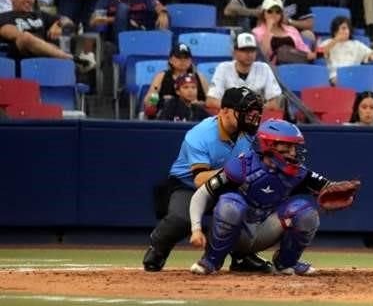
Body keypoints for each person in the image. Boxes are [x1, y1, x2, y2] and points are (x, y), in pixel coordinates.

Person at [186, 119, 360, 276]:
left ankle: (286, 263)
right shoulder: (242, 166)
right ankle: (211, 261)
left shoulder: (299, 173)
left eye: (295, 147)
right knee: (230, 204)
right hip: (237, 231)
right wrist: (196, 229)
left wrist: (338, 193)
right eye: (288, 146)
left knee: (305, 212)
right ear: (269, 145)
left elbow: (329, 187)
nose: (293, 152)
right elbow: (202, 194)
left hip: (266, 230)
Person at [142, 86, 270, 273]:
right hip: (188, 184)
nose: (250, 117)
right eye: (244, 111)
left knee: (251, 203)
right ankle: (158, 247)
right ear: (224, 111)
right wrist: (232, 170)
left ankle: (242, 256)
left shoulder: (248, 133)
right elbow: (200, 179)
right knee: (182, 219)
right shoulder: (200, 134)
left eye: (253, 112)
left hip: (227, 185)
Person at [0, 0, 91, 67]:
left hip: (47, 55)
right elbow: (13, 34)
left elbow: (68, 20)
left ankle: (66, 58)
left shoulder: (41, 15)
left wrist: (59, 24)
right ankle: (71, 59)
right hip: (21, 57)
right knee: (25, 37)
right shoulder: (4, 16)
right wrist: (42, 44)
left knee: (67, 35)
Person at [207, 32, 284, 110]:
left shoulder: (264, 68)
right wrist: (239, 109)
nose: (249, 54)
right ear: (234, 52)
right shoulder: (223, 68)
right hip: (231, 115)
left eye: (252, 50)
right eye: (244, 50)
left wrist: (252, 110)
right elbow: (211, 101)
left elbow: (275, 103)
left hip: (256, 115)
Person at [142, 42, 210, 118]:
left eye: (186, 58)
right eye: (179, 57)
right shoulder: (161, 76)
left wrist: (201, 104)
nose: (183, 61)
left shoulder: (200, 77)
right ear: (171, 60)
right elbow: (149, 99)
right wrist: (161, 101)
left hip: (195, 118)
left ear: (191, 61)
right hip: (166, 118)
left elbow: (211, 100)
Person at [252, 0, 316, 64]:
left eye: (277, 12)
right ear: (264, 13)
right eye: (270, 11)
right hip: (273, 66)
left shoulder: (291, 30)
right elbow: (263, 54)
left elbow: (302, 47)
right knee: (282, 51)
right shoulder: (256, 32)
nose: (274, 14)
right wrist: (268, 28)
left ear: (281, 14)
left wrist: (308, 53)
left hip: (296, 63)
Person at [316, 15, 373, 84]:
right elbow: (320, 54)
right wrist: (336, 40)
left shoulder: (356, 44)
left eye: (347, 28)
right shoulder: (328, 42)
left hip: (355, 75)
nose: (346, 31)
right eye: (343, 28)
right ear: (335, 31)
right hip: (336, 76)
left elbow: (372, 53)